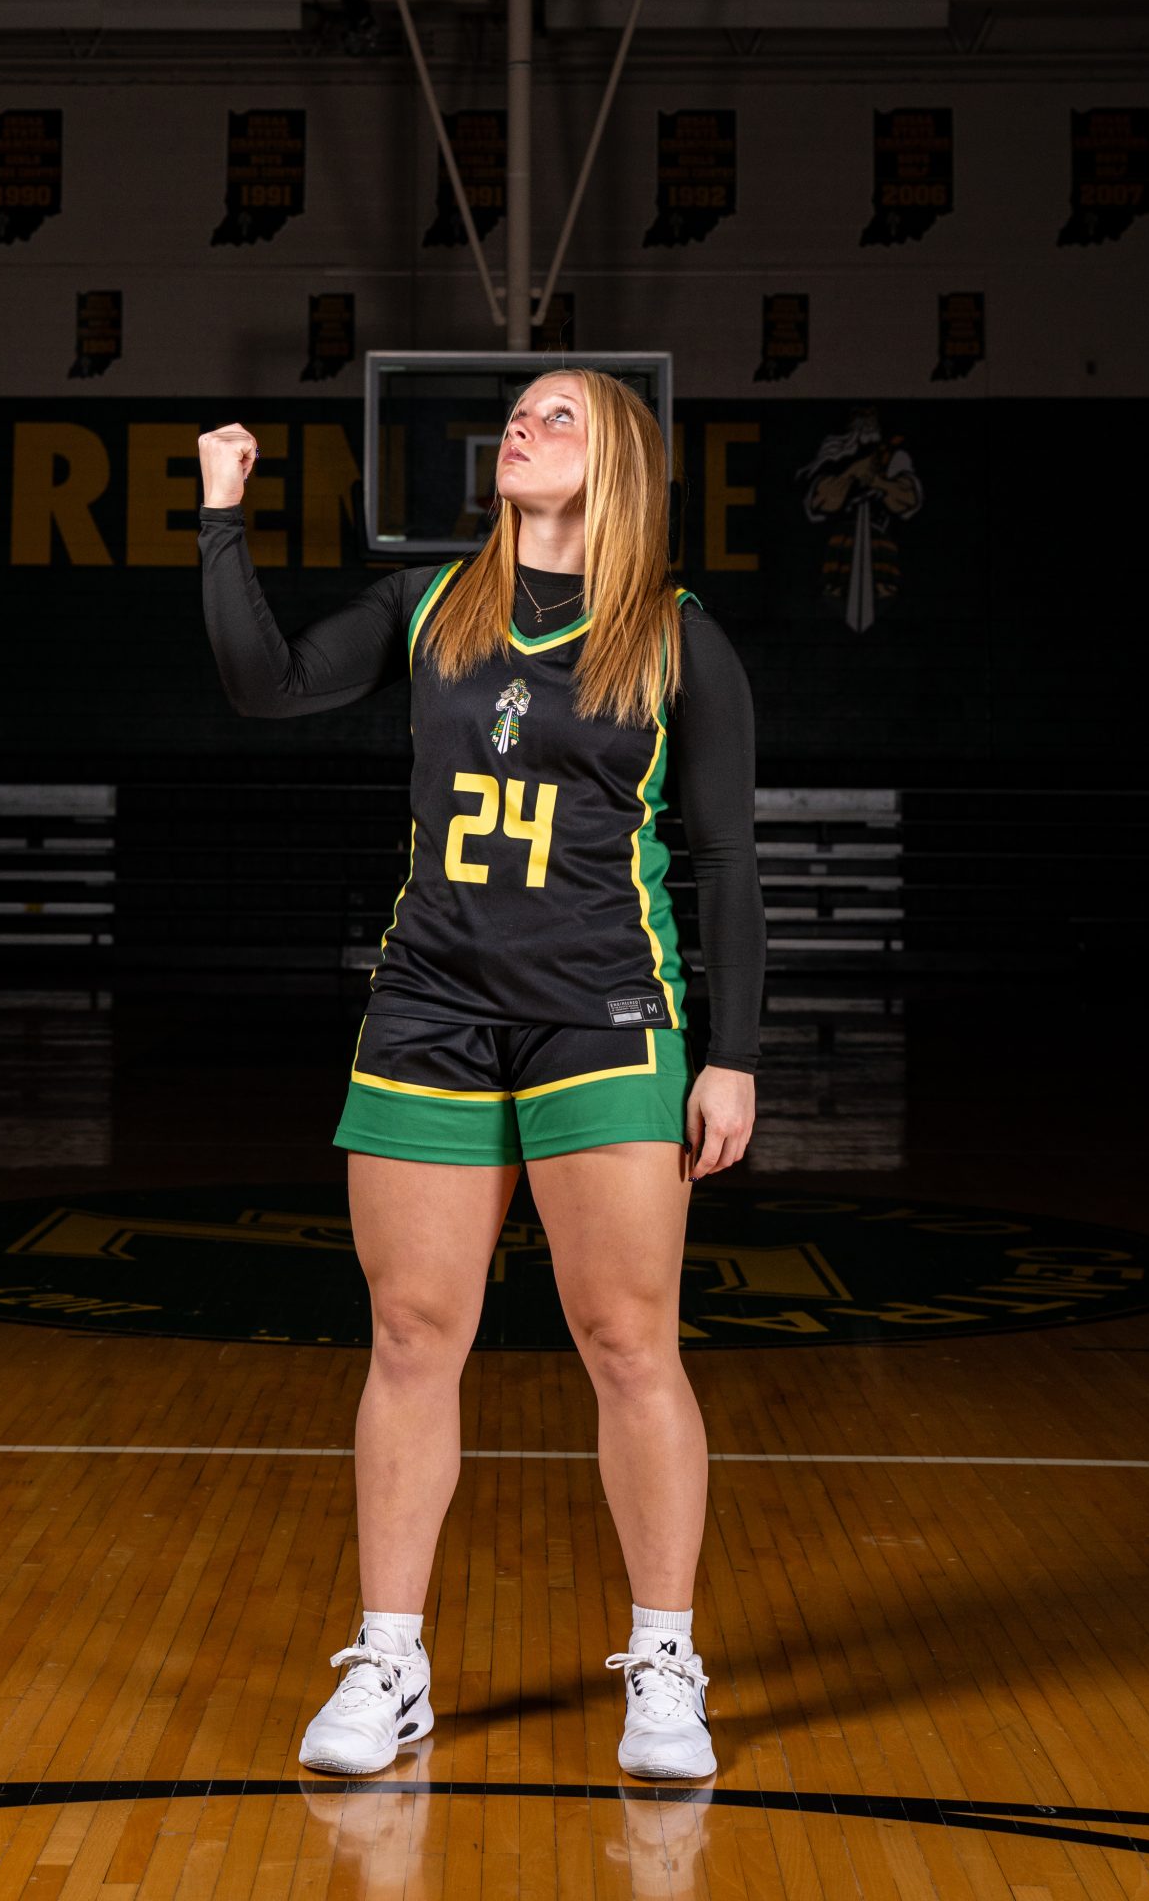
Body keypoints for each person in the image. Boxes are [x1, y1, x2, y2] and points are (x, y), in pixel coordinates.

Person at [198, 369, 765, 1783]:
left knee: (627, 1343)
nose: (522, 424)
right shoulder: (430, 606)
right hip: (430, 1006)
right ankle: (390, 1660)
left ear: (617, 460)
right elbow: (265, 684)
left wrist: (734, 1055)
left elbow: (724, 858)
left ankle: (665, 1662)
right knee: (409, 1336)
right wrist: (220, 517)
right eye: (517, 412)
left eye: (558, 415)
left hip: (603, 1014)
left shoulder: (677, 639)